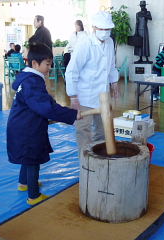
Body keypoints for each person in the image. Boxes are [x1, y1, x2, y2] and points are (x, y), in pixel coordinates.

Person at [7, 42, 80, 205]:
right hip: (26, 129)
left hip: (24, 125)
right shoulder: (31, 82)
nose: (50, 67)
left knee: (27, 157)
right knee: (32, 158)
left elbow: (44, 101)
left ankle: (23, 183)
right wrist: (72, 115)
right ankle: (33, 196)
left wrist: (66, 111)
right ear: (34, 64)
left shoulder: (30, 79)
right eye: (47, 64)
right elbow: (45, 107)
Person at [65, 11, 119, 150]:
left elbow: (111, 66)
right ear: (94, 27)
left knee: (103, 131)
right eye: (102, 29)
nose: (105, 32)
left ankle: (101, 161)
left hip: (103, 95)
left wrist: (114, 82)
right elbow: (72, 71)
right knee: (84, 132)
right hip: (85, 96)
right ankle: (86, 163)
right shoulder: (85, 43)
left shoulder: (110, 42)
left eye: (108, 29)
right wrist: (73, 97)